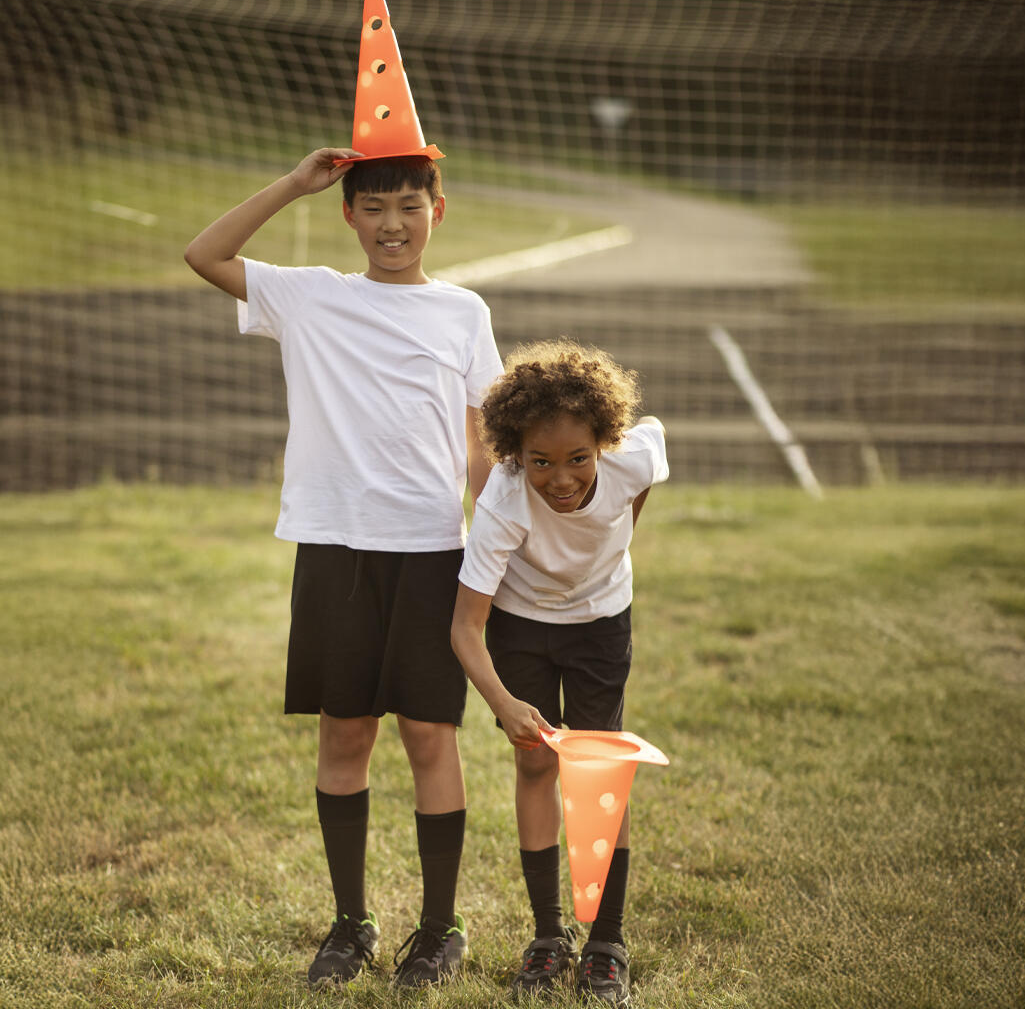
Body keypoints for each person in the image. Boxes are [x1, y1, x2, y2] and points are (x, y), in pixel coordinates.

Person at [184, 147, 502, 988]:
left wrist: (507, 540)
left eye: (409, 205)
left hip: (433, 551)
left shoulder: (464, 312)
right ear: (349, 215)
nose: (392, 224)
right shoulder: (312, 294)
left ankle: (440, 929)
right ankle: (351, 923)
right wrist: (293, 183)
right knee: (345, 732)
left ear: (440, 208)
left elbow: (479, 444)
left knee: (430, 736)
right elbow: (205, 255)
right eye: (374, 208)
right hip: (335, 548)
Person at [447, 339, 668, 1004]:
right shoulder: (505, 503)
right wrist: (505, 703)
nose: (563, 478)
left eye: (578, 458)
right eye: (541, 462)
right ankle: (548, 937)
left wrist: (613, 540)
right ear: (514, 455)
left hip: (602, 624)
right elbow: (464, 629)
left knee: (602, 762)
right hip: (521, 627)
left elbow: (649, 458)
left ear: (604, 442)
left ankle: (606, 942)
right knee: (538, 766)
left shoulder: (631, 459)